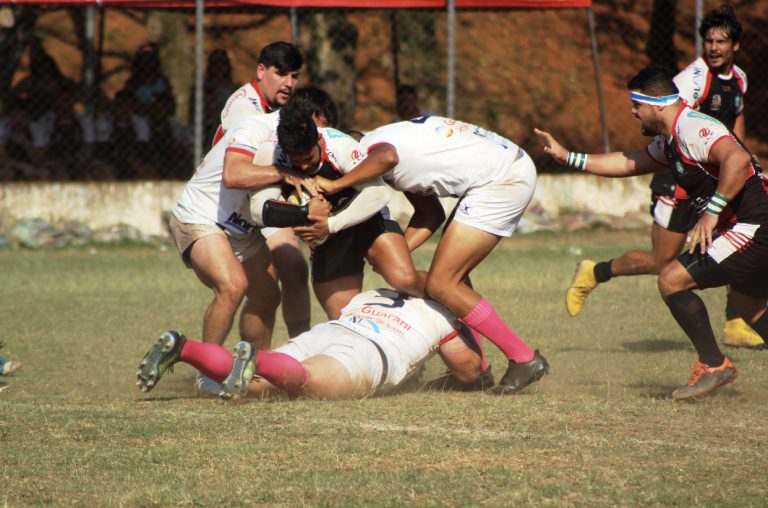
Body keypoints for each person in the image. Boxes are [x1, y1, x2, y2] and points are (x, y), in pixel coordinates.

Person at [535, 64, 768, 401]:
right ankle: (716, 364)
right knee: (751, 307)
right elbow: (628, 162)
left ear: (657, 104)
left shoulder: (693, 127)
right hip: (750, 224)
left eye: (636, 105)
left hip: (753, 223)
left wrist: (711, 213)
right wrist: (567, 156)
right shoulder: (671, 139)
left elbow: (738, 159)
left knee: (672, 279)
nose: (633, 112)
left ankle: (715, 365)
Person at [564, 5, 763, 350]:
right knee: (665, 263)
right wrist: (570, 157)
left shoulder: (734, 83)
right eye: (708, 41)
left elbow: (732, 137)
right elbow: (645, 152)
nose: (713, 47)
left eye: (721, 41)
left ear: (735, 46)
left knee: (684, 268)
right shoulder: (692, 81)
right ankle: (596, 272)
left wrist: (728, 175)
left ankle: (725, 339)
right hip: (681, 181)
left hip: (718, 186)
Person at [311, 116, 549, 395]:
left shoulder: (373, 149)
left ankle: (524, 358)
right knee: (452, 278)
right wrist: (400, 251)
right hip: (504, 170)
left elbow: (386, 157)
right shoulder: (387, 141)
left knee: (443, 283)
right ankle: (477, 373)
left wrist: (335, 186)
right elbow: (430, 213)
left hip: (501, 179)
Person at [137, 288, 491, 400]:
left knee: (251, 388)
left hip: (332, 330)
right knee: (302, 380)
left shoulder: (377, 292)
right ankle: (255, 360)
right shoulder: (443, 314)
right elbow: (467, 369)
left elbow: (341, 307)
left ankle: (184, 349)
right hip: (367, 354)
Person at [253, 103, 424, 320]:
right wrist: (305, 213)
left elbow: (379, 195)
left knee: (404, 279)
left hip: (366, 219)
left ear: (318, 140)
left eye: (308, 158)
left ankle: (447, 295)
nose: (304, 167)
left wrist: (330, 225)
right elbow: (259, 211)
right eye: (297, 162)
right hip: (326, 241)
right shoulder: (272, 154)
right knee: (344, 318)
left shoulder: (340, 145)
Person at [215, 41, 311, 341]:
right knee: (255, 289)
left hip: (262, 198)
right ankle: (250, 362)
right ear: (260, 71)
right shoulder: (245, 109)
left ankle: (300, 348)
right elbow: (239, 171)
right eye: (281, 73)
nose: (289, 83)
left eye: (294, 76)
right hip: (234, 208)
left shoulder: (277, 108)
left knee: (294, 269)